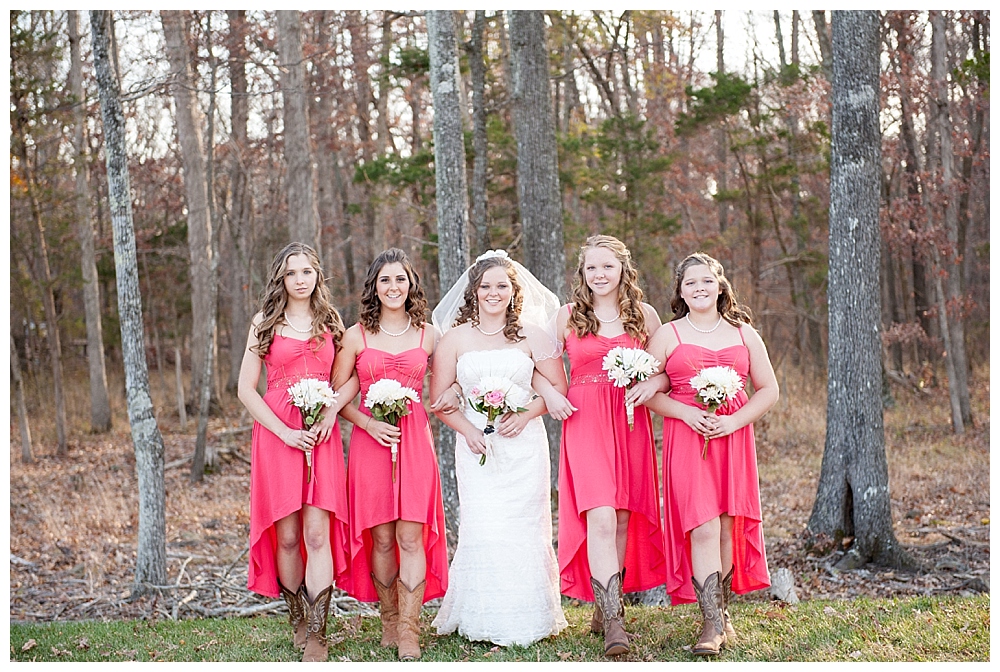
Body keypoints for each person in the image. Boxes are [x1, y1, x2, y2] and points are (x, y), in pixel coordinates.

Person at [429, 250, 568, 648]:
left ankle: (531, 616)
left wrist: (525, 415)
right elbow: (438, 400)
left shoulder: (533, 335)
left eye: (501, 286)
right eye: (486, 286)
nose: (493, 293)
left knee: (525, 526)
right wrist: (467, 431)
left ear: (513, 290)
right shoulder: (454, 340)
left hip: (523, 446)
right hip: (476, 447)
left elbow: (557, 390)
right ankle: (481, 616)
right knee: (484, 526)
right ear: (473, 291)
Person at [536, 234, 666, 657]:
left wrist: (653, 382)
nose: (600, 274)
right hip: (585, 418)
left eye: (607, 266)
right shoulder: (568, 316)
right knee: (602, 517)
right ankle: (614, 622)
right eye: (592, 267)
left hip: (631, 420)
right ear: (582, 272)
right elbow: (539, 368)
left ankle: (604, 604)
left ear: (623, 269)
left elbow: (670, 369)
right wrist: (552, 395)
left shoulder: (644, 316)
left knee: (625, 517)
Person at [643, 252, 777, 656]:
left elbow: (768, 390)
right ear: (680, 292)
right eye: (690, 283)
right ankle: (710, 622)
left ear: (720, 285)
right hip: (688, 437)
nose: (699, 288)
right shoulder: (668, 334)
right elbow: (648, 393)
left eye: (706, 281)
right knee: (700, 525)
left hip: (732, 437)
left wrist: (734, 423)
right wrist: (686, 412)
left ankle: (723, 614)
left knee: (723, 526)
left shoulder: (744, 333)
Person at [330, 248, 453, 661]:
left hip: (415, 442)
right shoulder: (355, 335)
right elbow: (338, 396)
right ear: (374, 287)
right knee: (382, 539)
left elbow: (445, 387)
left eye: (400, 279)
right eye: (385, 280)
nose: (393, 287)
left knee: (410, 535)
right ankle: (388, 618)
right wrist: (367, 424)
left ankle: (409, 632)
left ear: (411, 284)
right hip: (371, 443)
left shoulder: (430, 336)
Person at [237, 242, 355, 662]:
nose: (300, 280)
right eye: (292, 273)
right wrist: (284, 433)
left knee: (317, 533)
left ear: (317, 276)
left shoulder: (331, 322)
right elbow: (245, 389)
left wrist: (330, 413)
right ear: (281, 279)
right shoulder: (264, 324)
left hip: (320, 438)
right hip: (278, 437)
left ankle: (320, 632)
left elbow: (350, 379)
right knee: (287, 537)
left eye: (307, 272)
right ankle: (298, 621)